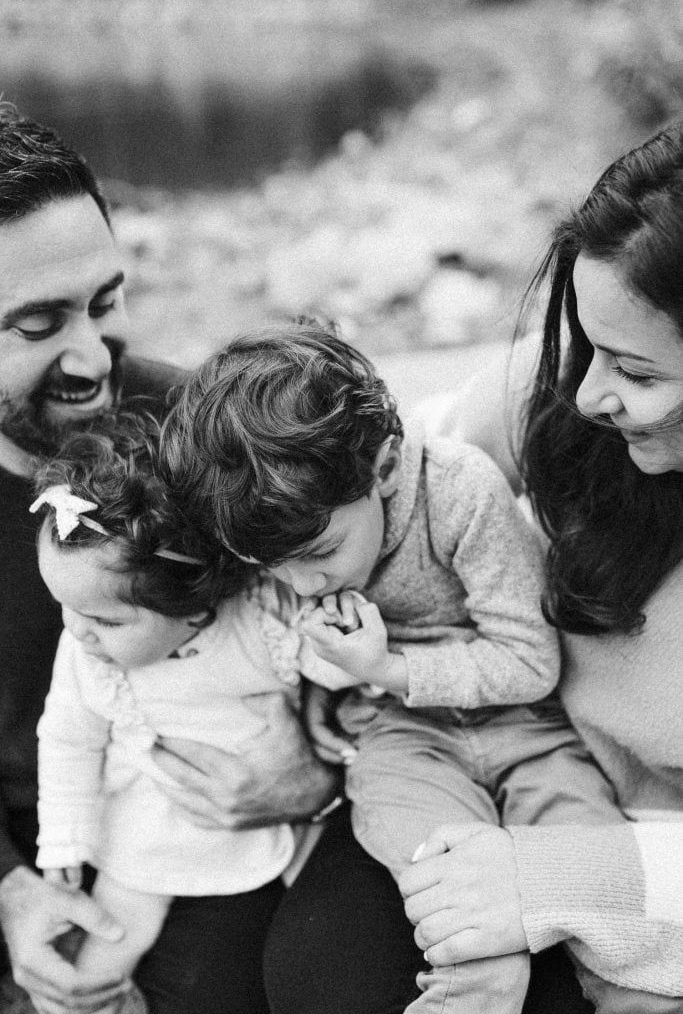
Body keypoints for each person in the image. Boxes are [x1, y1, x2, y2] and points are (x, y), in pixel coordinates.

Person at [0, 104, 426, 1014]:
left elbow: (380, 635)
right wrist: (13, 888)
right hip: (58, 845)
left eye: (104, 304)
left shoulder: (204, 437)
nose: (91, 360)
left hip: (228, 823)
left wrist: (316, 776)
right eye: (38, 325)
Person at [159, 319, 619, 1013]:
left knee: (596, 878)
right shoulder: (273, 529)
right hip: (402, 740)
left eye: (318, 555)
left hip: (528, 728)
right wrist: (321, 685)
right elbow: (295, 647)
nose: (302, 584)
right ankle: (479, 982)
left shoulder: (461, 493)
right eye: (269, 568)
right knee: (434, 872)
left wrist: (386, 665)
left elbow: (531, 663)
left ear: (385, 468)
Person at [396, 122, 683, 1012]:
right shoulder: (556, 400)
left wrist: (550, 878)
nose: (592, 392)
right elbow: (388, 480)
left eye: (635, 369)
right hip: (516, 792)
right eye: (589, 345)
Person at [30, 413, 366, 1008]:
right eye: (64, 608)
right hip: (146, 827)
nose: (76, 632)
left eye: (105, 620)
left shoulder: (256, 623)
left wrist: (340, 636)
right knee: (110, 937)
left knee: (324, 937)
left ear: (195, 609)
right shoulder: (88, 657)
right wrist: (63, 840)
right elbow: (67, 741)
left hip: (279, 818)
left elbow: (333, 671)